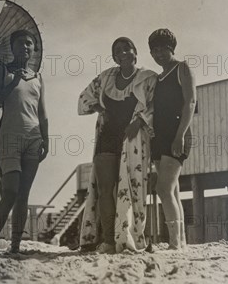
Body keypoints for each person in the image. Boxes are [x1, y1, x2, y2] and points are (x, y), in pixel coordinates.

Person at [78, 37, 157, 254]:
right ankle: (108, 240)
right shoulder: (105, 78)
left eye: (126, 49)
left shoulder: (147, 78)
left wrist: (139, 122)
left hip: (132, 140)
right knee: (105, 190)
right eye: (117, 51)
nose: (122, 53)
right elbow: (84, 99)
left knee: (132, 189)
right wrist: (100, 110)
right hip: (107, 138)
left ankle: (130, 237)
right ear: (114, 56)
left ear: (135, 52)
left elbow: (156, 106)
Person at [0, 29, 49, 254]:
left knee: (23, 195)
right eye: (20, 44)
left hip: (34, 137)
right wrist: (13, 82)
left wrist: (46, 139)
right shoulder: (1, 70)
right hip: (9, 137)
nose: (26, 47)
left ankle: (15, 247)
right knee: (10, 190)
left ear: (34, 49)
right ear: (12, 48)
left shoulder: (38, 76)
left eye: (29, 44)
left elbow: (42, 112)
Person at [148, 28, 196, 250]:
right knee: (173, 189)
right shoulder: (157, 78)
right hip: (158, 136)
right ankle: (181, 241)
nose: (159, 54)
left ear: (172, 48)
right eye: (154, 50)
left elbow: (190, 103)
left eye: (163, 49)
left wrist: (180, 136)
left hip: (177, 134)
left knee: (163, 188)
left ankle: (174, 242)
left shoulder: (182, 68)